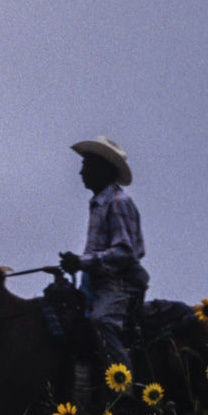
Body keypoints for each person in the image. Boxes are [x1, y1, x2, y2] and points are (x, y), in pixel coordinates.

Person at [58, 137, 147, 388]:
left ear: (104, 169)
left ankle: (125, 389)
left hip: (118, 283)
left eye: (87, 165)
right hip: (97, 281)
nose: (81, 172)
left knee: (101, 322)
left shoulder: (118, 203)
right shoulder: (99, 203)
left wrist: (82, 262)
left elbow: (125, 251)